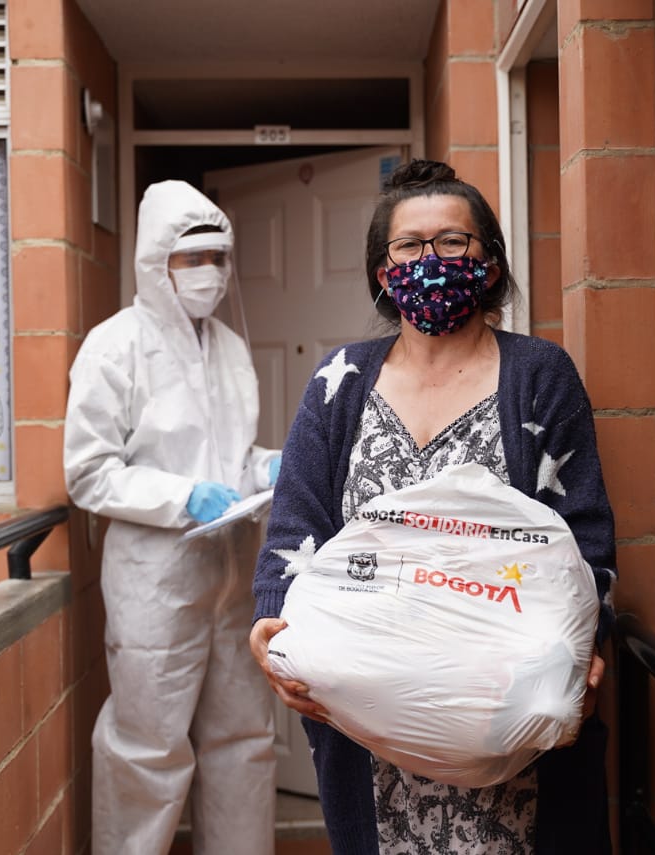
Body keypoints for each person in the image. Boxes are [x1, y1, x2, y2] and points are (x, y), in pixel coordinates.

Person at [249, 159, 618, 854]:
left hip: (508, 720)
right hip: (367, 724)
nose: (430, 259)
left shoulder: (538, 375)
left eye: (452, 241)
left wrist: (583, 647)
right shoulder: (341, 383)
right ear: (383, 272)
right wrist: (271, 630)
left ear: (489, 262)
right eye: (409, 246)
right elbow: (294, 529)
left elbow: (584, 536)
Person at [64, 180, 280, 855]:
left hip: (232, 573)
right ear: (158, 263)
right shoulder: (114, 346)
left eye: (218, 257)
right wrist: (181, 496)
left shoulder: (230, 347)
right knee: (146, 747)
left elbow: (229, 455)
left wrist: (265, 468)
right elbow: (88, 471)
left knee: (244, 738)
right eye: (193, 259)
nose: (209, 272)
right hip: (155, 581)